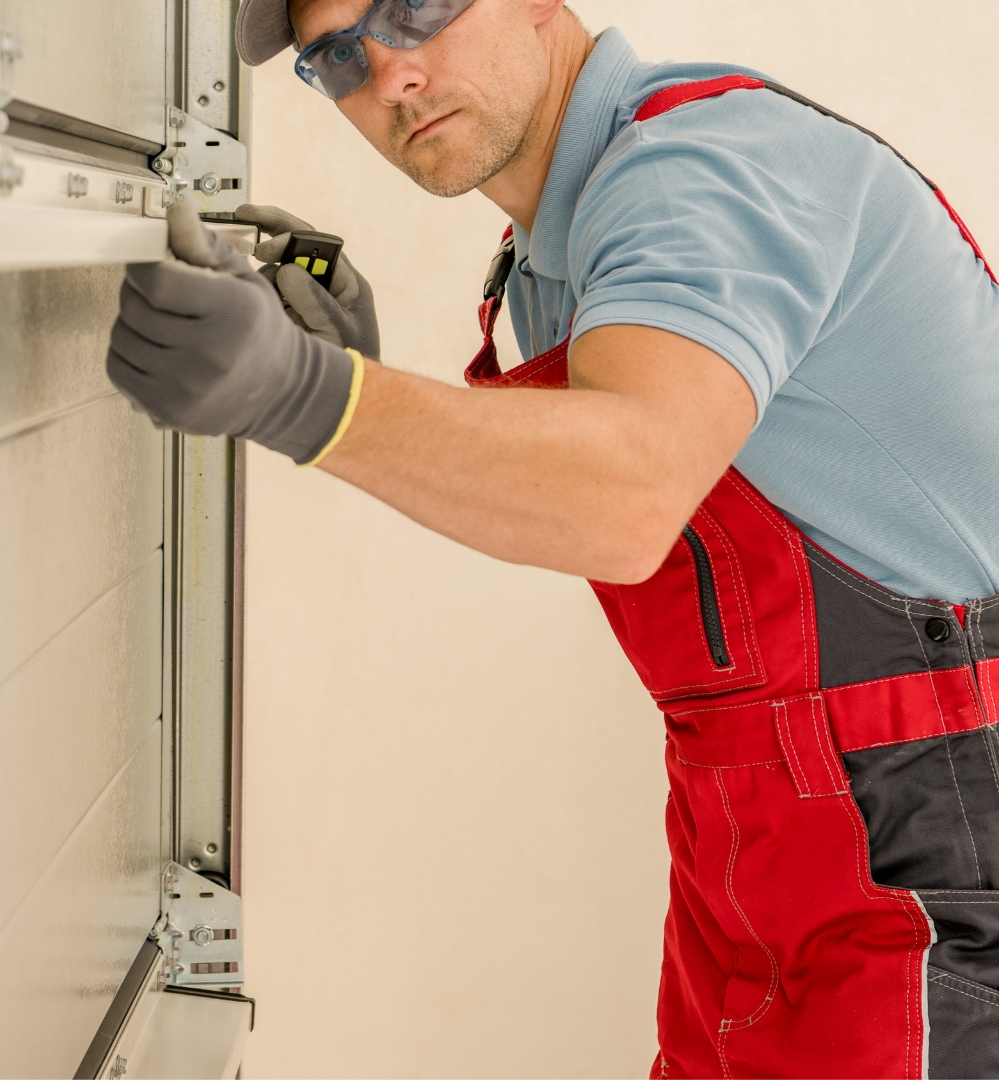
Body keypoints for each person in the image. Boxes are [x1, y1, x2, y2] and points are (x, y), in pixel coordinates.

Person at [105, 0, 999, 1074]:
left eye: (417, 7)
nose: (387, 71)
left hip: (936, 837)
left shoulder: (697, 167)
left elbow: (624, 494)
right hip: (756, 842)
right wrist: (372, 394)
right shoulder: (549, 254)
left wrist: (313, 396)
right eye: (335, 54)